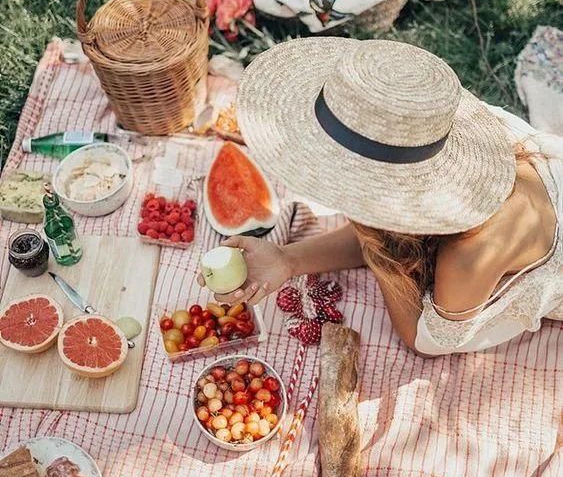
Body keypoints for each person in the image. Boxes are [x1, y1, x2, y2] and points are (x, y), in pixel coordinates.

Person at [200, 39, 563, 356]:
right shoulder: (445, 131)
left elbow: (425, 340)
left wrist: (381, 253)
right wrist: (286, 259)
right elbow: (387, 229)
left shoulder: (472, 252)